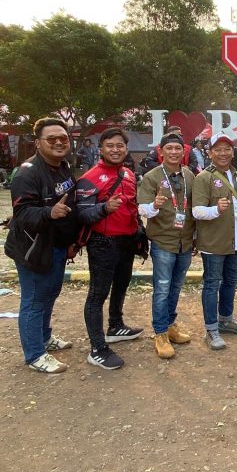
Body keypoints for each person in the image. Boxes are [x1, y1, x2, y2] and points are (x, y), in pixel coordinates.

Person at [4, 118, 78, 373]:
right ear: (38, 143)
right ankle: (35, 354)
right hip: (34, 248)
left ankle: (45, 338)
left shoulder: (63, 167)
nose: (59, 143)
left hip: (57, 246)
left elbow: (70, 206)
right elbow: (22, 214)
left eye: (63, 138)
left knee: (50, 293)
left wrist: (71, 242)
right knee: (34, 299)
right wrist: (49, 212)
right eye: (51, 139)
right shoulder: (27, 173)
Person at [76, 128, 144, 370]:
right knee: (97, 295)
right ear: (101, 149)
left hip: (127, 241)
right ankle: (97, 348)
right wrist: (104, 208)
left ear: (126, 149)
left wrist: (139, 232)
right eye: (110, 145)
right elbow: (82, 214)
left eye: (120, 145)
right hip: (102, 243)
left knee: (122, 285)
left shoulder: (129, 174)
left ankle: (115, 326)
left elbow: (133, 207)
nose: (115, 149)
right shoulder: (90, 178)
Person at [137, 132, 196, 359]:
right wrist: (154, 205)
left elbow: (195, 206)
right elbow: (142, 209)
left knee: (176, 286)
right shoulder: (151, 177)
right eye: (169, 148)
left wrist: (196, 237)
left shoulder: (189, 175)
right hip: (163, 242)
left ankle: (170, 326)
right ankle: (160, 333)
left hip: (185, 242)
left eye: (177, 148)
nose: (173, 152)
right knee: (162, 289)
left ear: (183, 152)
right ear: (161, 152)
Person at [191, 132, 237, 350]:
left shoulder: (236, 175)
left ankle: (226, 320)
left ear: (233, 152)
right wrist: (216, 210)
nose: (223, 153)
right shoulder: (203, 178)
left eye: (227, 149)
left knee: (231, 281)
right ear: (210, 153)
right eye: (218, 149)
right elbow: (196, 211)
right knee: (212, 284)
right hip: (213, 242)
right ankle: (211, 329)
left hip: (235, 240)